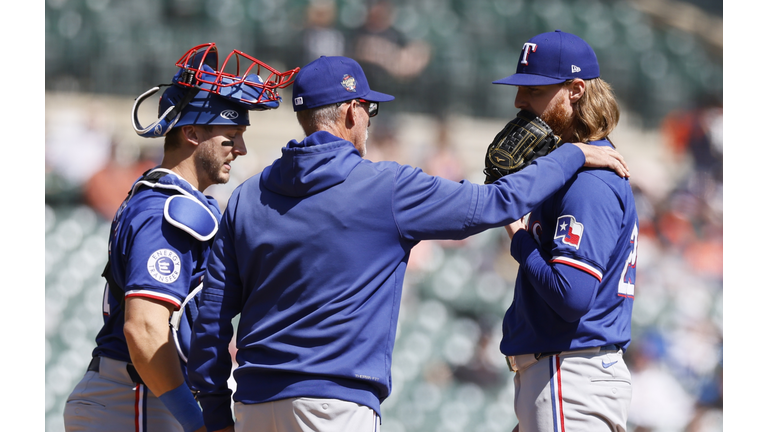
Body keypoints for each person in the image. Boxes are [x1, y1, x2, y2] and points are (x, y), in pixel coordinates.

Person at [187, 55, 630, 432]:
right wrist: (572, 154)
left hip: (253, 404)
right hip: (334, 405)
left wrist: (214, 413)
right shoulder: (386, 188)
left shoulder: (248, 196)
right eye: (369, 111)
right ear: (351, 113)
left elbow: (212, 318)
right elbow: (500, 201)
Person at [63, 43, 297, 432]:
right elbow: (144, 328)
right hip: (135, 400)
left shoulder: (167, 198)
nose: (239, 149)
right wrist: (196, 422)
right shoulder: (169, 212)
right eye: (230, 137)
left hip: (140, 396)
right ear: (191, 133)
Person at [492, 30, 639, 432]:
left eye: (535, 91)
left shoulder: (588, 183)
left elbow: (571, 295)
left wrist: (518, 236)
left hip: (569, 375)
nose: (520, 101)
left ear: (575, 90)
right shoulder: (572, 172)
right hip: (567, 376)